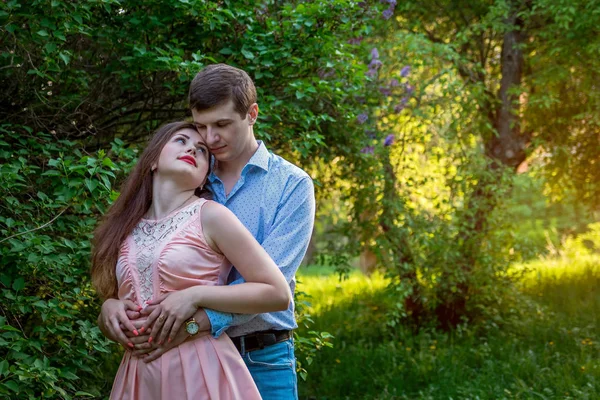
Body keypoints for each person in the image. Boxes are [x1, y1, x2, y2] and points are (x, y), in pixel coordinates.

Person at [98, 64, 315, 399]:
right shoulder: (191, 178)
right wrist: (111, 306)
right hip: (179, 357)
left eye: (222, 125)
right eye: (201, 126)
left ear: (252, 114)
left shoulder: (291, 185)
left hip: (261, 355)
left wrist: (192, 320)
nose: (210, 139)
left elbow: (272, 282)